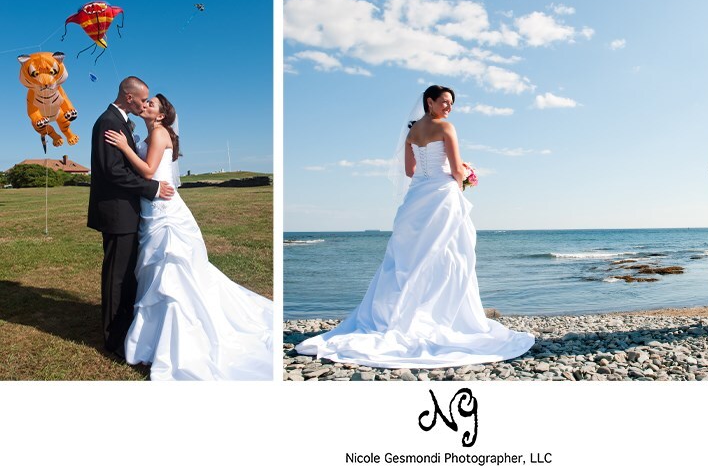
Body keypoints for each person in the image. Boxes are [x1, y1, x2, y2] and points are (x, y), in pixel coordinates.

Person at [296, 85, 534, 368]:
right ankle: (445, 315)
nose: (448, 107)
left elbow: (410, 172)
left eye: (451, 103)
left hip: (416, 198)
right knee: (451, 256)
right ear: (429, 102)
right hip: (442, 197)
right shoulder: (446, 128)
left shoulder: (411, 133)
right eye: (444, 102)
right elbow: (456, 170)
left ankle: (402, 313)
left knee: (409, 259)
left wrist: (448, 172)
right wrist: (464, 178)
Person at [104, 93, 273, 380]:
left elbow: (147, 171)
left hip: (165, 212)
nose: (144, 105)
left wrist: (123, 146)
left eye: (151, 104)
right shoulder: (151, 135)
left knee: (171, 271)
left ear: (160, 115)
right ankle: (153, 334)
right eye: (144, 102)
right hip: (152, 208)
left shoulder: (158, 134)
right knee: (156, 271)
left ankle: (174, 337)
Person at [87, 76, 174, 358]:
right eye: (141, 99)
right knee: (116, 275)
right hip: (116, 212)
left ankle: (125, 324)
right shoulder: (108, 122)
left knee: (126, 273)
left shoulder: (121, 122)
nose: (143, 104)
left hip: (129, 211)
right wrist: (152, 188)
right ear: (128, 97)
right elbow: (112, 171)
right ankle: (112, 338)